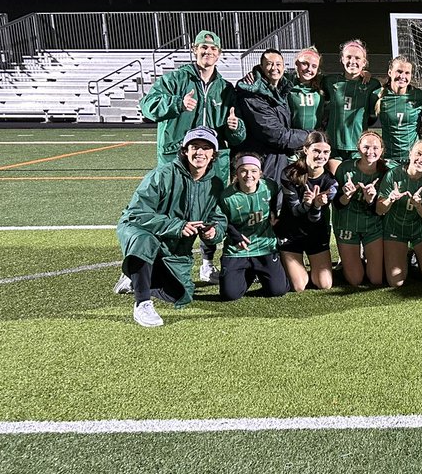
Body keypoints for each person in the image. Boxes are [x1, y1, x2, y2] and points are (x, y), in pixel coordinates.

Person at [138, 29, 244, 284]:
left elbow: (238, 135)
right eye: (203, 48)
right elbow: (147, 106)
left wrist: (235, 128)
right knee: (169, 212)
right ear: (194, 50)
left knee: (211, 211)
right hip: (177, 160)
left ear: (220, 54)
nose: (208, 52)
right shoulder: (174, 80)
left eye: (213, 49)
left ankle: (207, 263)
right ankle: (142, 269)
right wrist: (177, 104)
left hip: (213, 163)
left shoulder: (225, 89)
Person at [113, 126, 227, 327]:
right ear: (185, 150)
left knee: (182, 294)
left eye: (206, 148)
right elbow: (136, 213)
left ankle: (135, 276)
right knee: (144, 241)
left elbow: (219, 219)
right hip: (141, 228)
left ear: (213, 154)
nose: (200, 152)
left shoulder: (215, 184)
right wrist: (177, 226)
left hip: (174, 246)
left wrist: (214, 232)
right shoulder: (163, 174)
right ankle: (142, 303)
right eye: (194, 147)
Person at [217, 153, 288, 301]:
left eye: (254, 171)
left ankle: (261, 270)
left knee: (278, 290)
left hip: (265, 246)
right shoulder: (226, 197)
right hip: (238, 250)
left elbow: (275, 204)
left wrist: (274, 214)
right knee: (230, 295)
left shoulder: (270, 187)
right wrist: (235, 235)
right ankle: (248, 272)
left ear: (260, 173)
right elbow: (222, 222)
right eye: (243, 171)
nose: (249, 175)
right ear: (236, 174)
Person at [376, 136, 422, 288]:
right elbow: (379, 210)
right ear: (410, 153)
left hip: (420, 231)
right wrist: (390, 199)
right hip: (395, 229)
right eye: (418, 154)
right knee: (396, 282)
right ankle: (405, 255)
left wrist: (419, 206)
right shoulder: (393, 174)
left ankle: (417, 255)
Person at [275, 130, 338, 292]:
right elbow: (295, 211)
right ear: (305, 150)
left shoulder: (331, 182)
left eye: (325, 152)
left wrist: (316, 206)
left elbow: (314, 219)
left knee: (324, 284)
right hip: (291, 232)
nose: (321, 156)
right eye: (316, 151)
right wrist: (307, 204)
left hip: (315, 232)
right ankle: (282, 261)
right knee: (299, 285)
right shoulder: (289, 173)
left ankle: (311, 267)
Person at [234, 48, 310, 183]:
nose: (274, 68)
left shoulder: (281, 90)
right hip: (262, 160)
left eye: (278, 64)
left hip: (278, 158)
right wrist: (311, 136)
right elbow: (277, 135)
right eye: (269, 64)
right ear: (261, 67)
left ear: (284, 67)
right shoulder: (252, 94)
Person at [330, 129, 389, 288]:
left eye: (375, 148)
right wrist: (346, 196)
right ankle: (351, 261)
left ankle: (365, 259)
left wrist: (371, 200)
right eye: (366, 147)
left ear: (382, 150)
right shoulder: (345, 168)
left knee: (376, 279)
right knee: (355, 279)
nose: (370, 152)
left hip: (372, 225)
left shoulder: (385, 172)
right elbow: (336, 204)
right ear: (358, 148)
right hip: (347, 223)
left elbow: (381, 209)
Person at [324, 39, 380, 162]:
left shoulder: (373, 84)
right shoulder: (330, 81)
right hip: (333, 145)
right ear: (342, 59)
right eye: (348, 57)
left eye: (357, 58)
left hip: (358, 147)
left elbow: (373, 116)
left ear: (364, 62)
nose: (352, 61)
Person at [374, 55, 422, 162]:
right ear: (390, 72)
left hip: (413, 157)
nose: (402, 76)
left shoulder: (418, 96)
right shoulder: (378, 95)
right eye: (399, 71)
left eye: (407, 73)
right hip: (388, 158)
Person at [286, 46, 326, 132]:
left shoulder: (323, 83)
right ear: (297, 63)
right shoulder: (287, 82)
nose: (309, 69)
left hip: (316, 136)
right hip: (294, 135)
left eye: (314, 66)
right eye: (305, 64)